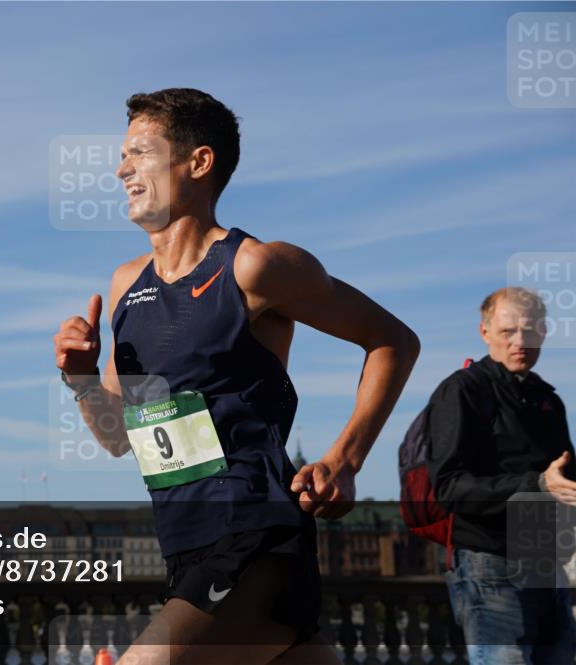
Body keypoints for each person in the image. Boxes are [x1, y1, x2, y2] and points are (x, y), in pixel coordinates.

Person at [53, 88, 420, 664]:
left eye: (140, 153)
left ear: (198, 163)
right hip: (184, 544)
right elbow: (119, 436)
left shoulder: (255, 266)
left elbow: (393, 341)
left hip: (255, 534)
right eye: (122, 155)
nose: (121, 168)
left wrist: (344, 461)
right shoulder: (128, 285)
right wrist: (79, 380)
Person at [427, 287, 576, 664]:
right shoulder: (462, 391)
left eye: (530, 330)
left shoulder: (547, 399)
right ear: (485, 332)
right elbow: (448, 488)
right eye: (508, 331)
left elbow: (564, 477)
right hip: (489, 566)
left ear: (543, 333)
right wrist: (539, 485)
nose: (520, 341)